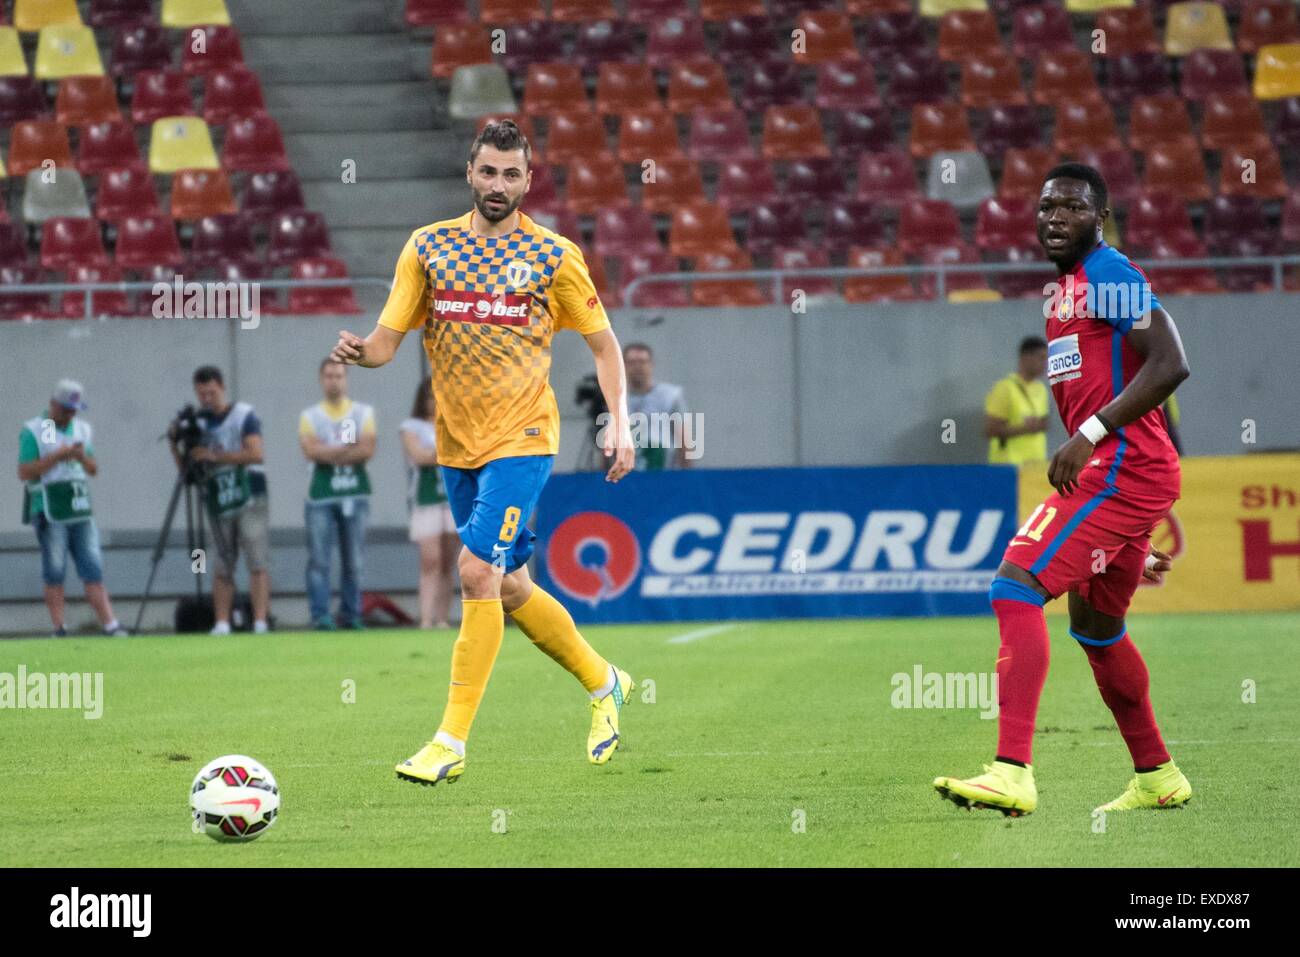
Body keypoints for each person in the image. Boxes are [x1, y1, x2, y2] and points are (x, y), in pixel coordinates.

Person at [329, 118, 637, 787]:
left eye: (512, 173)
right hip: (458, 445)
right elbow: (389, 340)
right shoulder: (428, 248)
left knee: (474, 571)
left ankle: (450, 740)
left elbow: (605, 343)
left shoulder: (554, 256)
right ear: (469, 173)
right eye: (489, 171)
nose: (499, 185)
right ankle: (604, 681)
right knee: (512, 584)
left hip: (525, 437)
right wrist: (363, 352)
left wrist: (620, 421)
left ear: (530, 180)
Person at [934, 163, 1191, 816]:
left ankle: (1012, 769)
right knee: (1097, 627)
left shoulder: (1108, 273)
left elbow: (1171, 361)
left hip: (1119, 469)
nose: (1055, 218)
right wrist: (1129, 527)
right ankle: (1157, 773)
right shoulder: (1066, 293)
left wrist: (1094, 434)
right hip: (1128, 477)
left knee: (1014, 584)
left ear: (1099, 218)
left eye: (1072, 208)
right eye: (1047, 207)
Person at [18, 380, 129, 637]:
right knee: (55, 569)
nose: (71, 414)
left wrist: (80, 456)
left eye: (74, 409)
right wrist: (58, 456)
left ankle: (110, 623)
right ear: (54, 404)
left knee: (92, 566)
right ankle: (59, 626)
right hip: (50, 507)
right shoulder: (39, 428)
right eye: (66, 409)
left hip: (79, 508)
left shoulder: (81, 429)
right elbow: (25, 471)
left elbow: (93, 469)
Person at [176, 366, 271, 635]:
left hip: (248, 493)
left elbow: (255, 453)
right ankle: (221, 621)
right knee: (221, 560)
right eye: (201, 393)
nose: (207, 398)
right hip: (219, 497)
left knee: (257, 558)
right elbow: (187, 471)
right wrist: (177, 442)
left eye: (211, 392)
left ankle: (261, 620)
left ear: (221, 387)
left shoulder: (244, 415)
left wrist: (215, 456)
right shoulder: (200, 422)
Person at [299, 358, 376, 631]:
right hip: (320, 496)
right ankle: (320, 615)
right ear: (322, 379)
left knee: (354, 559)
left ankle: (351, 613)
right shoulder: (310, 417)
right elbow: (310, 451)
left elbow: (367, 449)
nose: (334, 380)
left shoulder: (362, 413)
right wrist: (347, 449)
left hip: (354, 493)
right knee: (319, 559)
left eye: (339, 375)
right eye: (329, 376)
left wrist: (328, 451)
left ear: (346, 378)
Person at [400, 376, 458, 630]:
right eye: (429, 397)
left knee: (448, 561)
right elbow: (419, 456)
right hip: (426, 497)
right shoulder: (412, 426)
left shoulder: (456, 424)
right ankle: (425, 617)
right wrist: (445, 454)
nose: (434, 403)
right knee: (430, 559)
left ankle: (442, 617)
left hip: (452, 498)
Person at [624, 342, 691, 470]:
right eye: (632, 362)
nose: (638, 366)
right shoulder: (616, 398)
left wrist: (687, 477)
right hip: (627, 475)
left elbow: (684, 442)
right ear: (624, 365)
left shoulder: (670, 396)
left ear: (651, 364)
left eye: (642, 362)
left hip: (664, 473)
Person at [984, 337, 1049, 465]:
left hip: (1035, 466)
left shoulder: (1041, 389)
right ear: (1025, 357)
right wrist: (1025, 428)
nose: (1045, 364)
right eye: (1041, 358)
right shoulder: (1004, 388)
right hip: (1008, 467)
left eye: (1046, 358)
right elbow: (991, 429)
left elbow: (1042, 422)